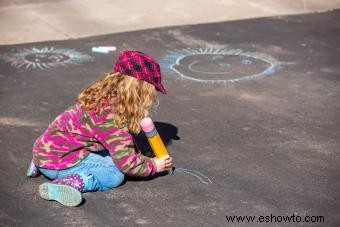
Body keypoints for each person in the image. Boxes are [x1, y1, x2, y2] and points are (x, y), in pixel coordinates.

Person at [26, 50, 173, 206]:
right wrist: (153, 166)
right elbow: (127, 163)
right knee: (115, 174)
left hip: (47, 150)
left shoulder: (104, 97)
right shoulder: (112, 117)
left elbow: (121, 143)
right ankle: (68, 183)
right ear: (139, 91)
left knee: (111, 155)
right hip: (57, 162)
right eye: (151, 93)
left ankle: (39, 165)